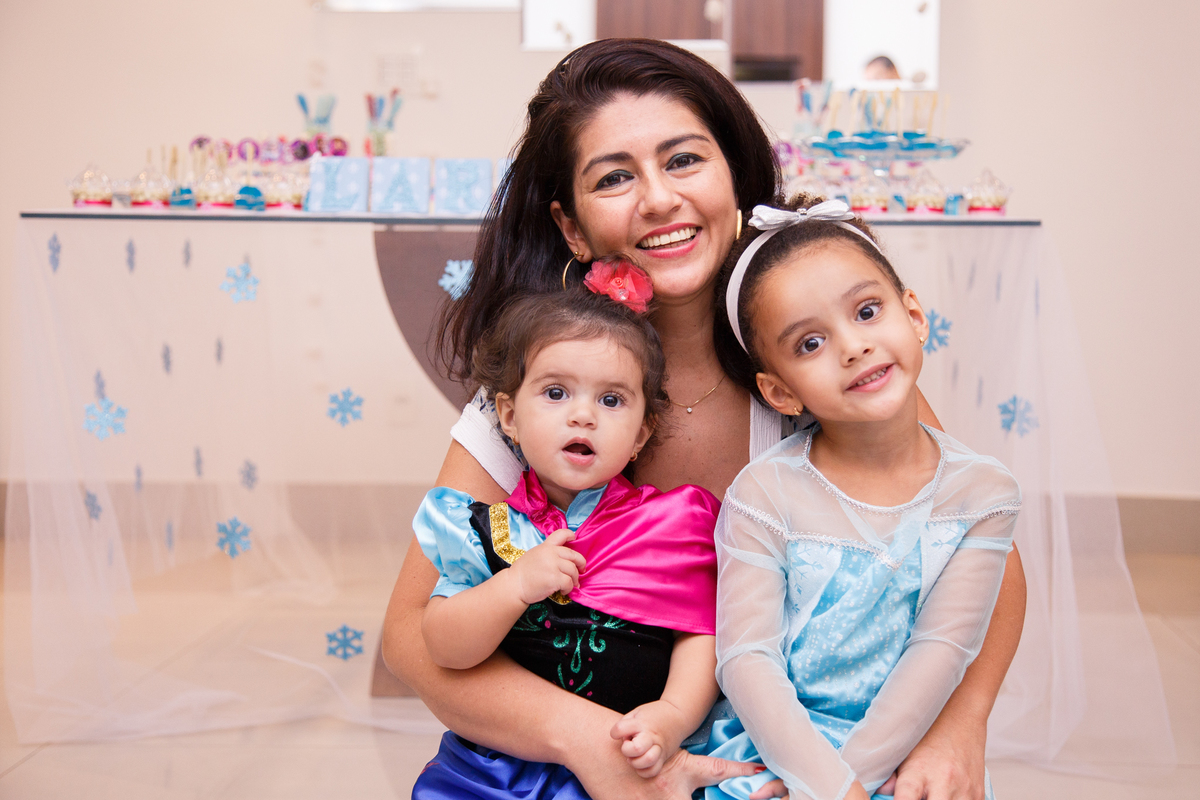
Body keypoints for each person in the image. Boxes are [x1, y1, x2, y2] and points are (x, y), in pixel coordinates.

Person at [383, 38, 1027, 800]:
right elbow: (408, 638)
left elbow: (981, 552)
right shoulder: (537, 397)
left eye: (684, 160)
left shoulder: (819, 371)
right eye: (616, 177)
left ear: (735, 177)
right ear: (573, 227)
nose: (658, 198)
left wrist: (960, 726)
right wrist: (593, 744)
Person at [699, 197, 1020, 800]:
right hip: (777, 753)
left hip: (902, 750)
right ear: (780, 392)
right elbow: (747, 659)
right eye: (810, 344)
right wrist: (822, 785)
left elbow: (942, 650)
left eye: (868, 311)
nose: (852, 347)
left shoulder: (984, 494)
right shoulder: (764, 493)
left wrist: (856, 784)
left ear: (915, 316)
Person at [411, 287, 726, 798]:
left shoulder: (670, 525)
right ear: (509, 416)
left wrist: (671, 716)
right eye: (556, 393)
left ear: (641, 435)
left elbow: (699, 633)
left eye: (611, 399)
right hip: (497, 771)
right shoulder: (485, 529)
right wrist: (513, 585)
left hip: (633, 756)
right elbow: (444, 647)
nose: (583, 416)